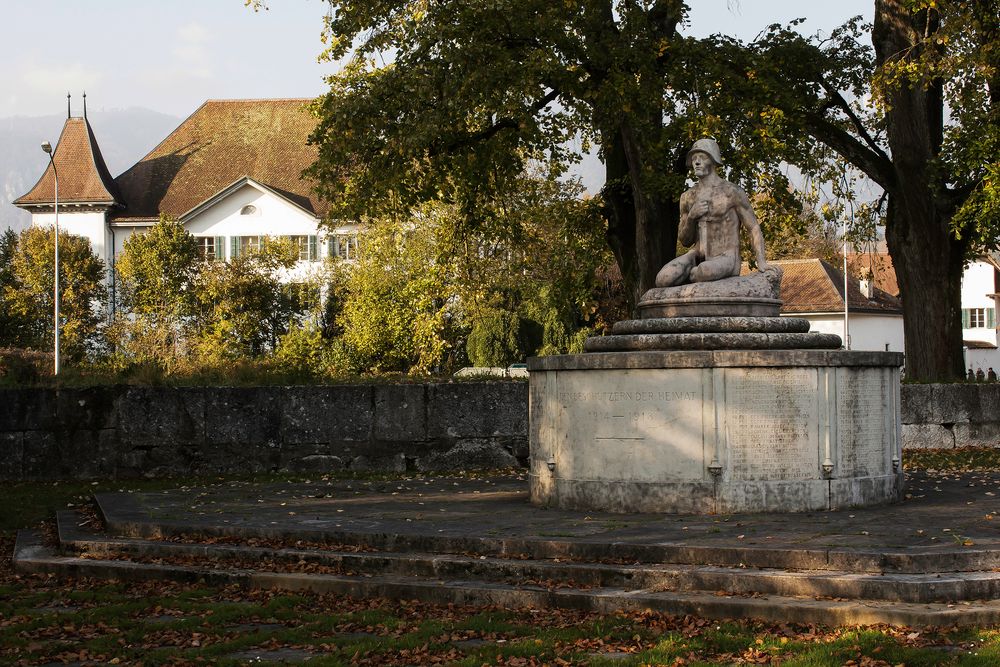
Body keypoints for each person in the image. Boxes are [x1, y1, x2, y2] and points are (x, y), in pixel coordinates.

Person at [655, 138, 774, 287]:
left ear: (713, 160)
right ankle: (691, 274)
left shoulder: (731, 191)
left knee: (704, 271)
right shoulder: (687, 197)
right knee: (663, 278)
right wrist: (691, 217)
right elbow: (685, 241)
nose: (697, 162)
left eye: (702, 157)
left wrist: (761, 261)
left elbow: (753, 227)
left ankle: (691, 275)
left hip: (726, 256)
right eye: (694, 158)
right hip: (697, 255)